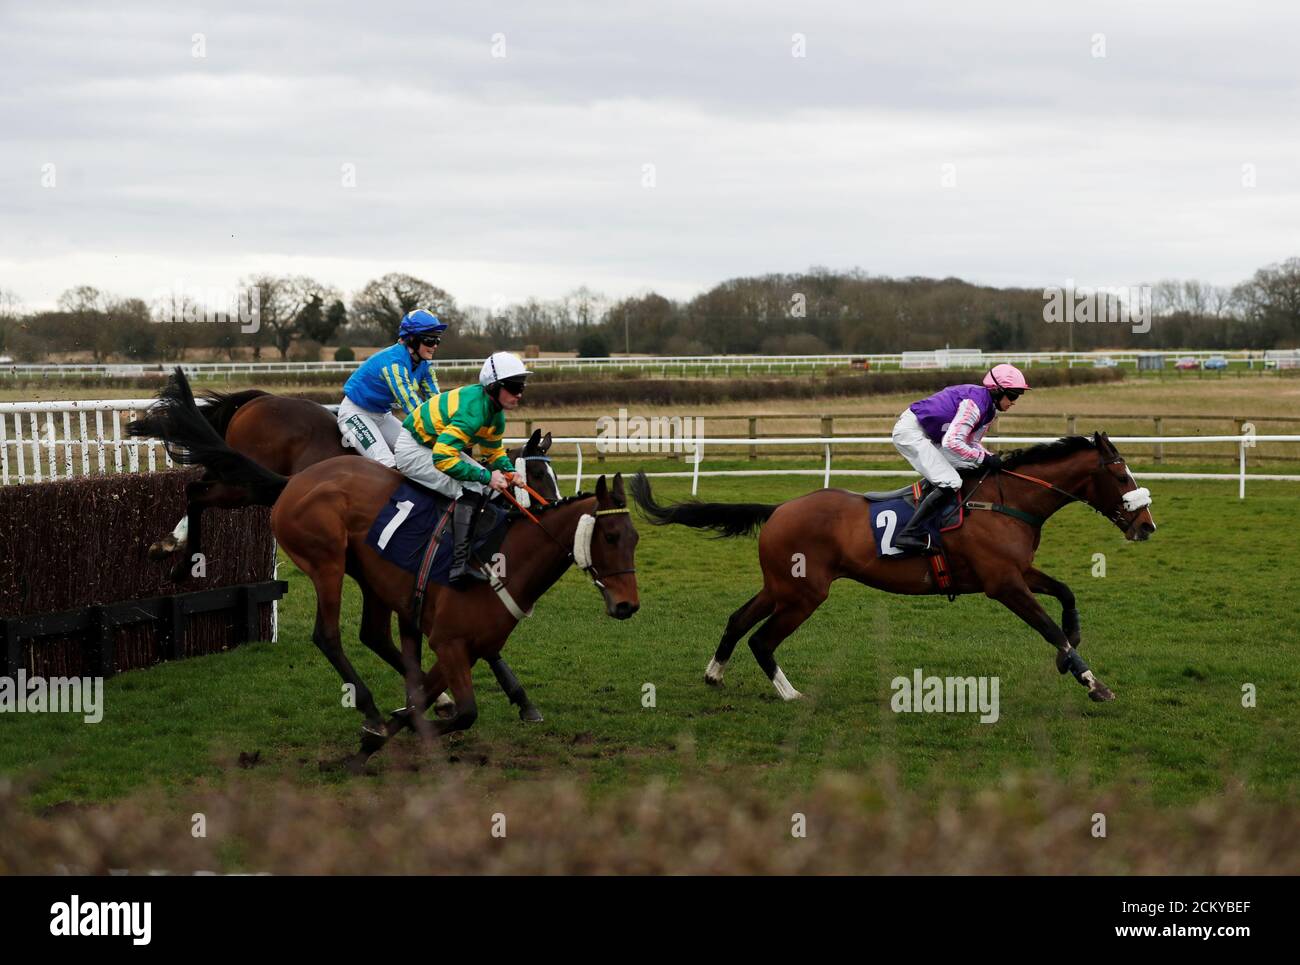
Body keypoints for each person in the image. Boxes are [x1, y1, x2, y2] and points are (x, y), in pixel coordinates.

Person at [394, 351, 530, 586]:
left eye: (522, 387)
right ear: (494, 386)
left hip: (435, 447)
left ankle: (482, 548)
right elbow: (442, 458)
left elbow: (493, 452)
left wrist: (510, 471)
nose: (519, 394)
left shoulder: (495, 413)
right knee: (474, 487)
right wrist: (485, 476)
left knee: (495, 488)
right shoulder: (473, 412)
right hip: (414, 448)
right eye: (514, 387)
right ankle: (458, 567)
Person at [889, 363, 1030, 552]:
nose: (1014, 402)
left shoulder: (989, 410)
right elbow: (953, 443)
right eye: (1012, 396)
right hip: (912, 432)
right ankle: (908, 534)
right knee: (951, 481)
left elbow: (971, 443)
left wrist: (991, 458)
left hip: (935, 435)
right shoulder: (975, 405)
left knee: (970, 467)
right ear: (996, 391)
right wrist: (984, 459)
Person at [337, 310, 445, 467]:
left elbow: (437, 402)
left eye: (437, 340)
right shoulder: (394, 363)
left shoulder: (425, 365)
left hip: (382, 416)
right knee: (387, 463)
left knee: (418, 451)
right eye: (430, 340)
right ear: (412, 340)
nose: (435, 346)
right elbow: (412, 405)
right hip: (355, 414)